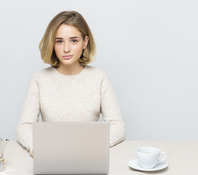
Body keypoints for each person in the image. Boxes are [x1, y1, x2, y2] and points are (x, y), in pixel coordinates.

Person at [17, 11, 125, 157]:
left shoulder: (99, 78)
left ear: (85, 42)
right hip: (51, 156)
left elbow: (118, 127)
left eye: (74, 41)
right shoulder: (39, 79)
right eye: (59, 41)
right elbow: (24, 126)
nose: (66, 48)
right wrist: (36, 148)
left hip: (88, 156)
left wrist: (90, 146)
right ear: (52, 43)